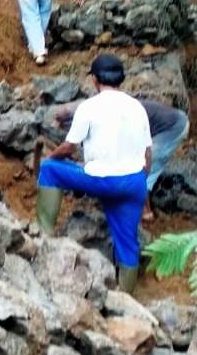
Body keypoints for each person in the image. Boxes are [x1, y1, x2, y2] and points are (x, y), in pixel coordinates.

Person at [36, 54, 151, 292]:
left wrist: (50, 157)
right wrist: (141, 183)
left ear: (95, 80)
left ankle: (42, 235)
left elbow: (70, 147)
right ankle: (126, 299)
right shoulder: (137, 107)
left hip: (101, 180)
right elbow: (147, 154)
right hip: (134, 182)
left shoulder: (89, 107)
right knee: (128, 243)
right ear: (121, 79)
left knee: (50, 170)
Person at [55, 97, 189, 220]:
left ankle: (146, 212)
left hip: (171, 128)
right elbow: (65, 112)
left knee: (143, 168)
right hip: (162, 123)